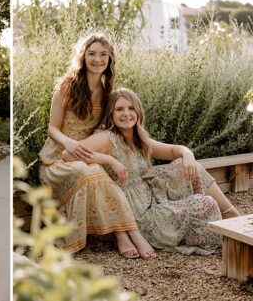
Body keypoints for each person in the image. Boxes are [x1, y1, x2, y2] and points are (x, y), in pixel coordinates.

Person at [70, 88, 239, 255]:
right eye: (119, 109)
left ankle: (232, 215)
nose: (126, 114)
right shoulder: (106, 138)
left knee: (187, 164)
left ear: (138, 112)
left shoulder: (138, 139)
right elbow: (67, 154)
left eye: (131, 108)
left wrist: (188, 153)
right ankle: (231, 226)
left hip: (152, 199)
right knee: (206, 204)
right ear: (111, 114)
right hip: (137, 213)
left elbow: (173, 150)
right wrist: (109, 160)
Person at [36, 33, 143, 257]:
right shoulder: (66, 86)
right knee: (88, 172)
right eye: (92, 54)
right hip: (56, 159)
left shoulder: (107, 94)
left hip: (88, 155)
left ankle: (123, 233)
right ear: (83, 56)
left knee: (92, 169)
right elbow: (52, 128)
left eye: (103, 55)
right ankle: (123, 234)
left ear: (110, 59)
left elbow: (107, 131)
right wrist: (69, 142)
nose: (97, 59)